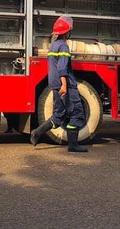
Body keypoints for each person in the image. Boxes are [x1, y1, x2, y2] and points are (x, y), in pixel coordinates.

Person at [30, 14, 88, 152]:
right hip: (65, 85)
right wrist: (65, 85)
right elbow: (62, 67)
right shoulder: (63, 47)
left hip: (54, 84)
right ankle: (73, 145)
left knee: (59, 114)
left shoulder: (53, 46)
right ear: (67, 32)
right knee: (77, 113)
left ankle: (37, 132)